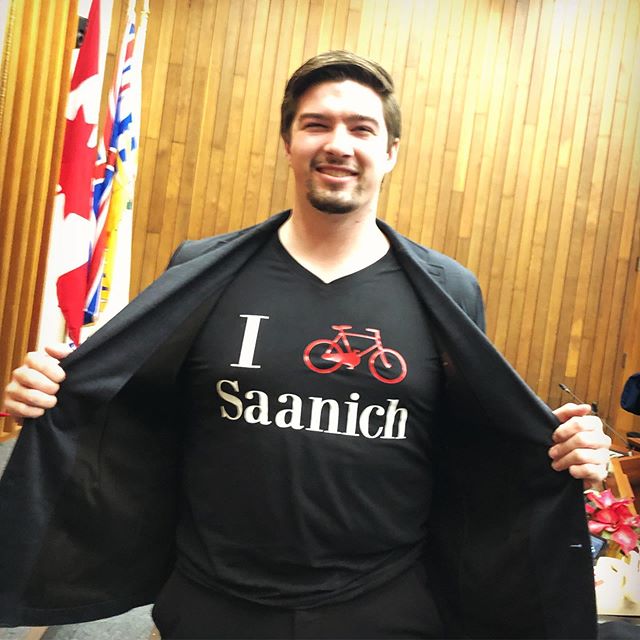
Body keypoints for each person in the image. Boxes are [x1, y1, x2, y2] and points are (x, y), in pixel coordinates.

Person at [1, 51, 610, 639]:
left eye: (362, 128)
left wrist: (559, 448)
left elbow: (475, 444)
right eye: (316, 124)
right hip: (211, 602)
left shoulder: (449, 290)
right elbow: (137, 413)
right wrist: (56, 391)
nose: (338, 144)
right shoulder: (202, 267)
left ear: (390, 152)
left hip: (383, 608)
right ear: (288, 142)